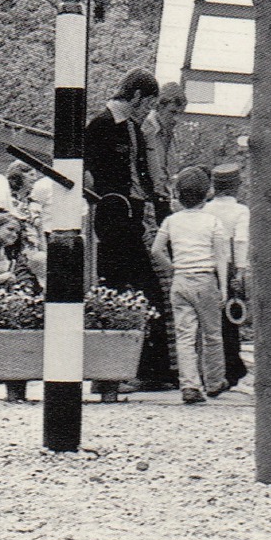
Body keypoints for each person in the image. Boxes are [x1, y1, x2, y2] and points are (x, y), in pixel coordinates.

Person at [85, 68, 174, 389]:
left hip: (133, 215)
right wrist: (109, 204)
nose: (149, 110)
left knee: (133, 290)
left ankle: (134, 371)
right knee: (124, 288)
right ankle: (120, 372)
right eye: (148, 103)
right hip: (115, 216)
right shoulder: (101, 126)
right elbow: (88, 175)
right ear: (136, 96)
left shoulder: (134, 128)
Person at [151, 167, 230, 404]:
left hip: (181, 281)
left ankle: (189, 385)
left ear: (178, 194)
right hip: (206, 280)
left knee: (184, 335)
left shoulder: (171, 221)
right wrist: (224, 287)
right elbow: (221, 258)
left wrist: (173, 267)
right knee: (212, 334)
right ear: (207, 193)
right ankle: (215, 381)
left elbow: (156, 250)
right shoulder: (213, 222)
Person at [205, 162, 250, 388]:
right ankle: (232, 367)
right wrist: (241, 270)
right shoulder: (240, 211)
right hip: (231, 265)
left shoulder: (205, 209)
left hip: (206, 265)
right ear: (236, 186)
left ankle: (213, 369)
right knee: (230, 319)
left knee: (211, 320)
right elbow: (241, 240)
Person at [142, 81, 188, 221]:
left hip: (163, 201)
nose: (176, 119)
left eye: (180, 114)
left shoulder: (170, 135)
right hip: (146, 202)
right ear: (159, 107)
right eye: (172, 112)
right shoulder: (145, 130)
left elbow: (171, 171)